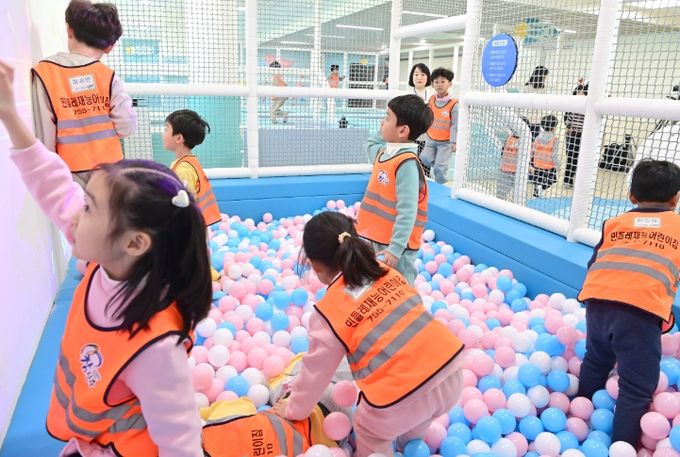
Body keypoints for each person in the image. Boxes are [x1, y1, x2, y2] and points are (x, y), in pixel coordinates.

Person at [0, 60, 209, 456]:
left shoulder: (156, 347)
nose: (75, 214)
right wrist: (9, 115)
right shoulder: (108, 260)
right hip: (90, 437)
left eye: (89, 207)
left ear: (134, 243)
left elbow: (180, 443)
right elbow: (53, 183)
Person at [273, 211, 465, 457]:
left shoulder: (329, 312)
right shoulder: (386, 272)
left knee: (367, 427)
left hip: (400, 398)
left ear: (315, 265)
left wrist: (294, 409)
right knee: (418, 415)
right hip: (451, 375)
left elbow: (315, 373)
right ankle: (410, 446)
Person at [577, 159, 680, 447]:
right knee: (636, 387)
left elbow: (594, 263)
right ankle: (622, 446)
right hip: (639, 311)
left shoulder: (615, 223)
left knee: (596, 359)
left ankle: (579, 414)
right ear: (675, 199)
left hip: (596, 301)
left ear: (631, 196)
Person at [32, 0, 137, 187]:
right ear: (110, 47)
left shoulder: (44, 73)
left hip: (68, 175)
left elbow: (44, 139)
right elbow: (126, 127)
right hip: (111, 173)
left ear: (69, 30)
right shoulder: (108, 77)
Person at [202, 355, 353, 456]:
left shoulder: (215, 428)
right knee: (278, 380)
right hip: (312, 402)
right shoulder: (216, 426)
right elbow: (244, 403)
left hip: (331, 440)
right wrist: (203, 413)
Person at [355, 94, 433, 284]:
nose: (382, 122)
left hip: (398, 247)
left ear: (403, 130)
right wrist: (384, 129)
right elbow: (371, 144)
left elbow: (407, 211)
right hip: (376, 236)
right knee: (378, 284)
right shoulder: (384, 153)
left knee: (400, 285)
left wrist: (396, 248)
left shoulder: (406, 164)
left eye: (387, 117)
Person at [164, 109, 221, 226]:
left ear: (178, 138)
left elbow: (186, 205)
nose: (163, 134)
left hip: (190, 227)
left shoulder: (184, 169)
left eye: (166, 129)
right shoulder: (188, 161)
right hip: (197, 225)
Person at [421, 67, 458, 184]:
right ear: (432, 84)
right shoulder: (431, 99)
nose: (439, 85)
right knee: (424, 158)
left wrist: (454, 142)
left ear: (450, 84)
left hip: (445, 142)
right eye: (436, 82)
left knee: (439, 169)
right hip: (431, 138)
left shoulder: (454, 104)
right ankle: (439, 167)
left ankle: (441, 183)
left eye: (443, 81)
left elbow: (455, 125)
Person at [408, 63, 434, 176]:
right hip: (410, 138)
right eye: (416, 74)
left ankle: (425, 185)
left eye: (423, 74)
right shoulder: (407, 95)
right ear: (411, 77)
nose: (419, 77)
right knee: (410, 166)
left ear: (428, 77)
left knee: (425, 169)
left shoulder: (433, 95)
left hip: (428, 138)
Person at [529, 114, 560, 198]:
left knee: (538, 180)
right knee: (551, 180)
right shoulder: (555, 139)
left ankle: (536, 194)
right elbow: (554, 155)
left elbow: (533, 150)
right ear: (553, 128)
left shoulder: (538, 137)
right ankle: (542, 188)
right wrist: (557, 166)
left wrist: (531, 163)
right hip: (549, 165)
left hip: (537, 164)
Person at [563, 82, 588, 187]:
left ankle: (568, 180)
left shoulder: (580, 103)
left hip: (576, 135)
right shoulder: (583, 104)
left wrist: (569, 126)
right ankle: (569, 180)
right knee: (574, 159)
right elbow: (568, 118)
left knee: (573, 158)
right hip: (578, 135)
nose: (580, 93)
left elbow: (569, 119)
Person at [521, 65, 549, 141]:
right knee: (532, 139)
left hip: (531, 118)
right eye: (545, 76)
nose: (546, 78)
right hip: (533, 119)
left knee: (528, 139)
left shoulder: (528, 87)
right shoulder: (541, 89)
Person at [496, 130, 520, 199]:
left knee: (518, 195)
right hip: (505, 171)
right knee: (500, 195)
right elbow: (502, 152)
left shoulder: (525, 141)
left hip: (518, 173)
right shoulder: (508, 139)